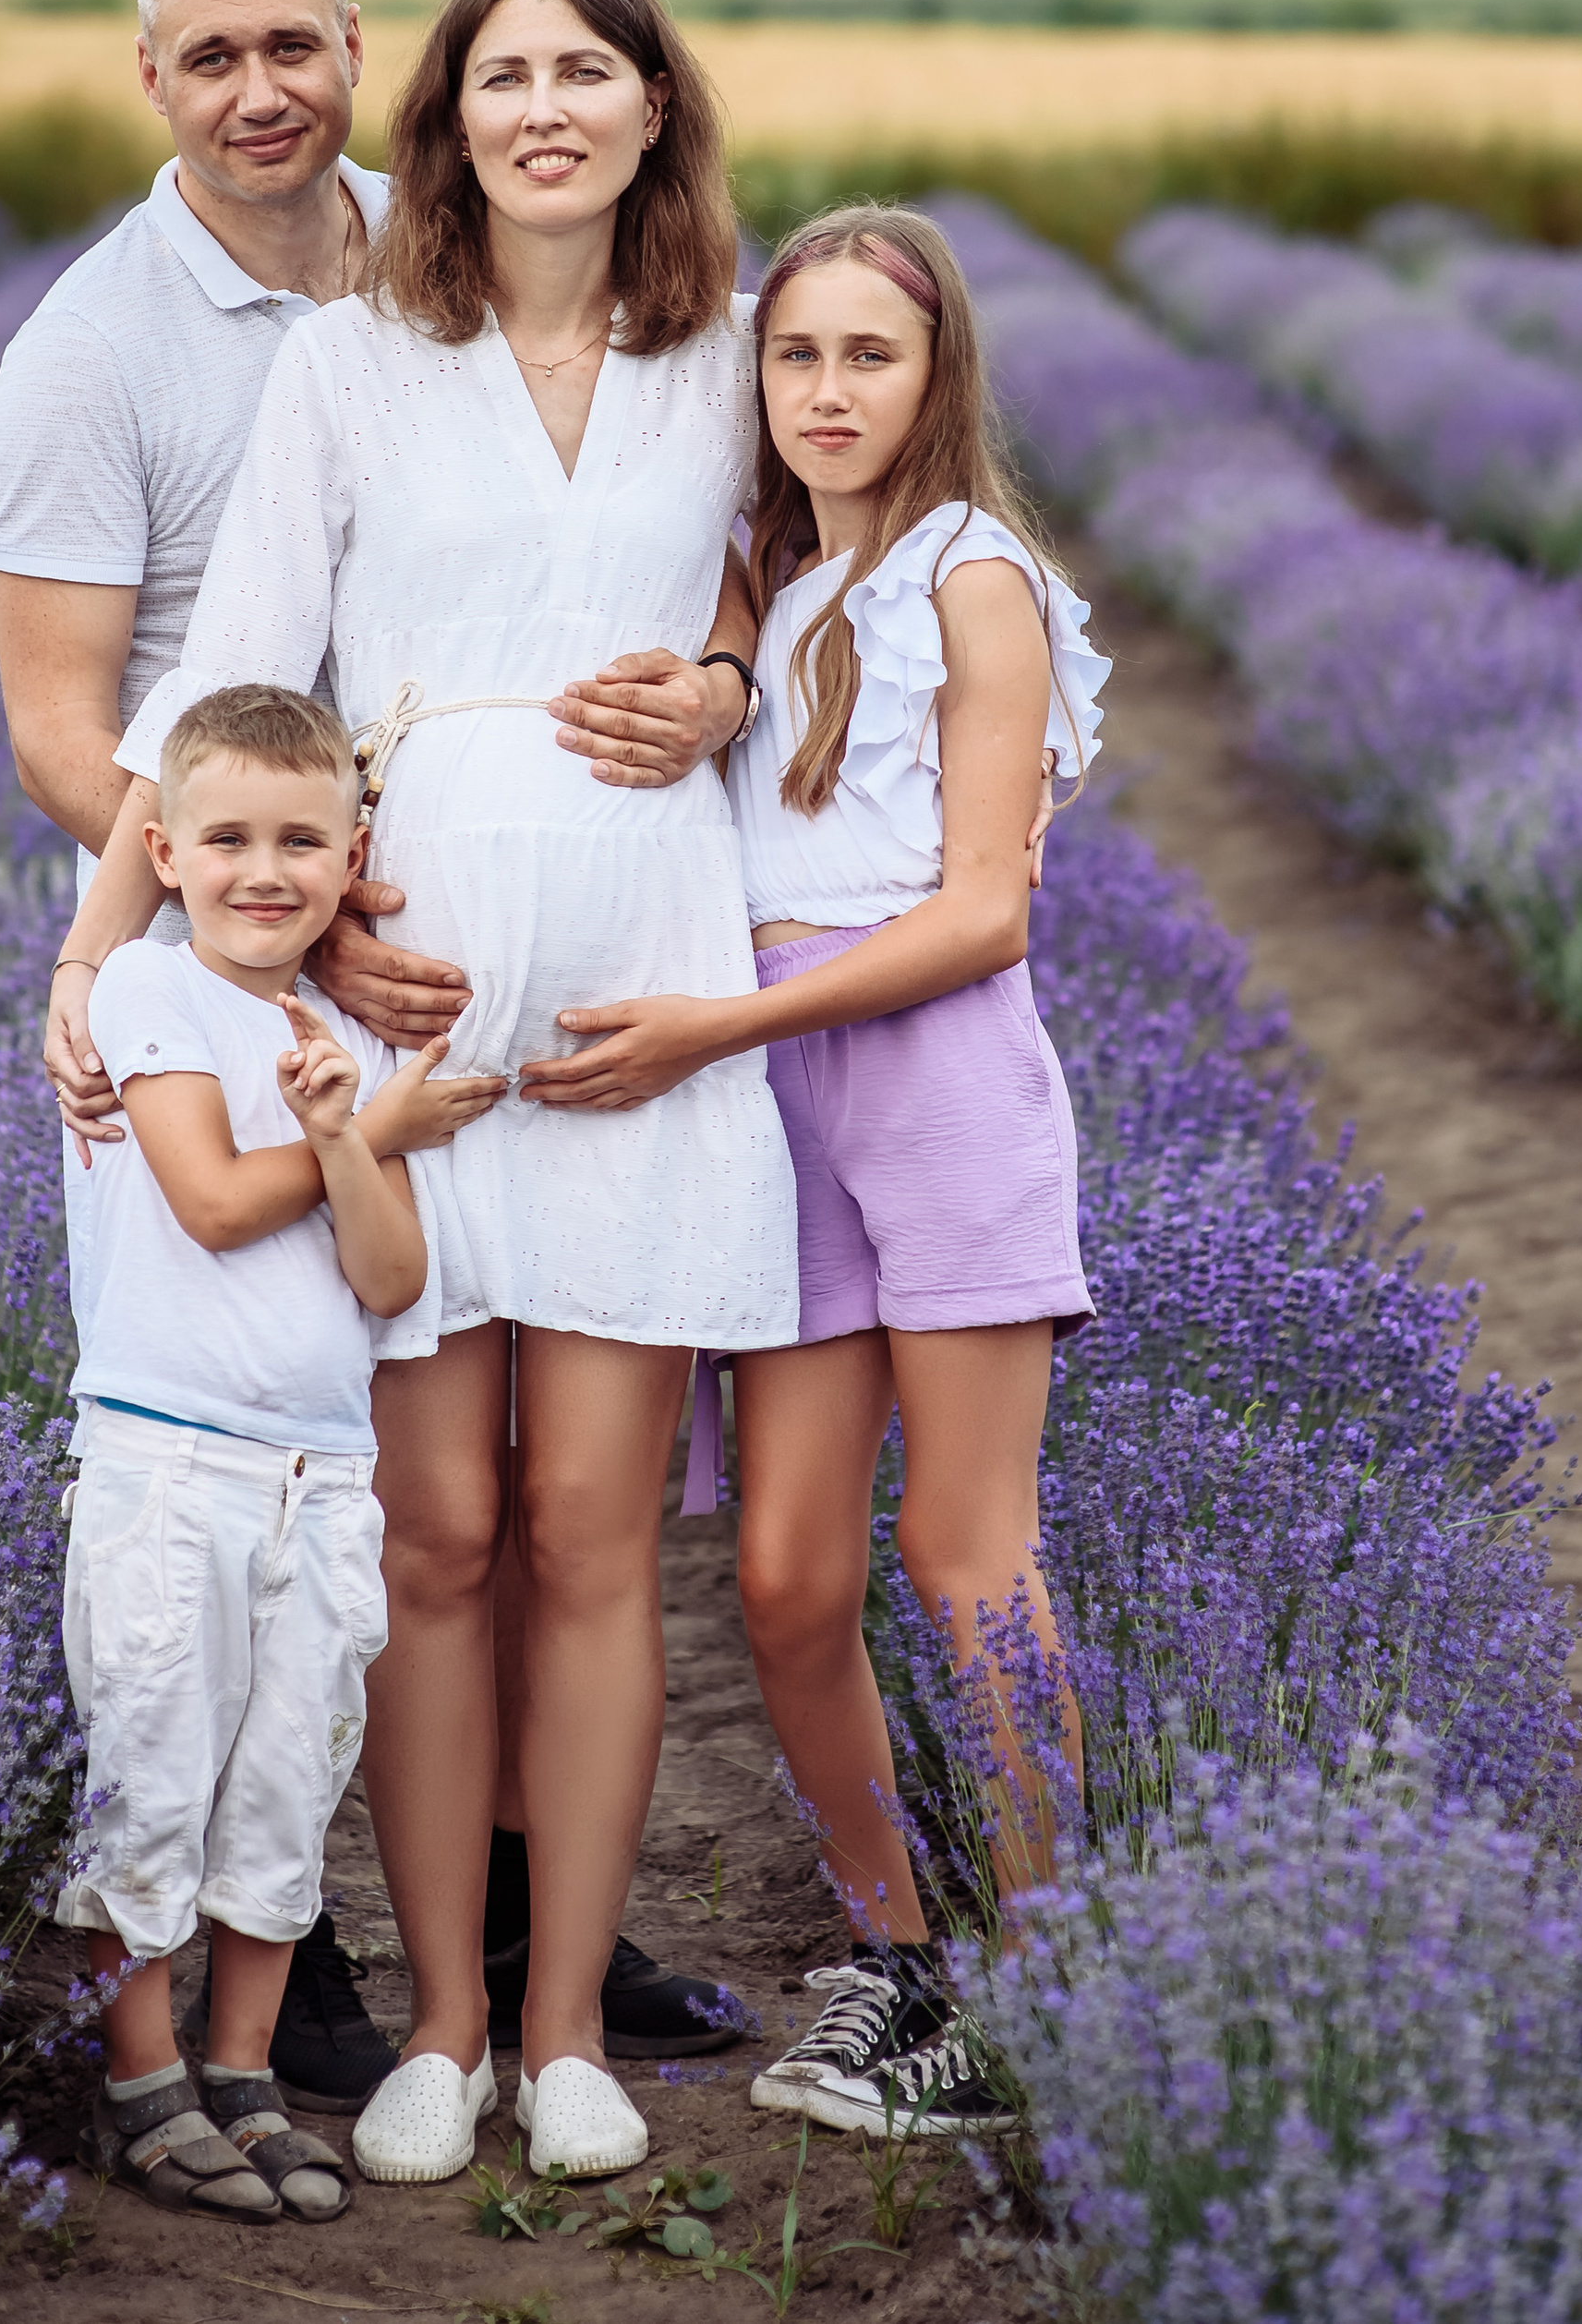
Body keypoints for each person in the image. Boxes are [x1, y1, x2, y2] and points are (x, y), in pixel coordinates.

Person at [49, 0, 801, 2187]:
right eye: (504, 77)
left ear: (656, 106)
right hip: (405, 1021)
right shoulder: (359, 365)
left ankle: (565, 2027)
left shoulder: (732, 353)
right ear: (446, 117)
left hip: (640, 997)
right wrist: (102, 963)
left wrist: (735, 685)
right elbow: (228, 701)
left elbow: (813, 573)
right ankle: (434, 2025)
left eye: (590, 70)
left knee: (593, 1536)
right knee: (435, 1533)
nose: (546, 107)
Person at [522, 204, 1106, 2140]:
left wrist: (714, 1031)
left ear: (936, 379)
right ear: (751, 385)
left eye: (870, 356)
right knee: (780, 1579)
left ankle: (1046, 1985)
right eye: (796, 357)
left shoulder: (977, 583)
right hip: (771, 1104)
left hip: (924, 1084)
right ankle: (894, 1952)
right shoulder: (760, 583)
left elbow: (983, 919)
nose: (828, 390)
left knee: (963, 1554)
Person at [66, 681, 497, 2226]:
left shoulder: (324, 1032)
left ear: (350, 850)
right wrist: (371, 1128)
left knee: (279, 1789)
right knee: (154, 1772)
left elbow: (387, 1280)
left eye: (301, 839)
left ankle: (239, 2070)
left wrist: (341, 1126)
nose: (266, 868)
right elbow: (210, 1202)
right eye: (229, 836)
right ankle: (138, 2080)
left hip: (324, 1475)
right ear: (165, 850)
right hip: (172, 1463)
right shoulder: (147, 989)